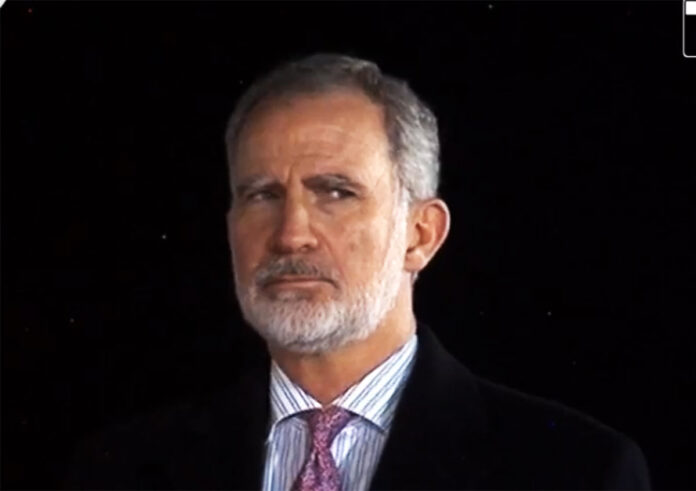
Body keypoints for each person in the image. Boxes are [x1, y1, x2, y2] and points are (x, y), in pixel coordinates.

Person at [67, 53, 651, 490]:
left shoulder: (574, 473)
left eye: (336, 192)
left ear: (420, 234)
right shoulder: (121, 470)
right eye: (262, 194)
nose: (291, 232)